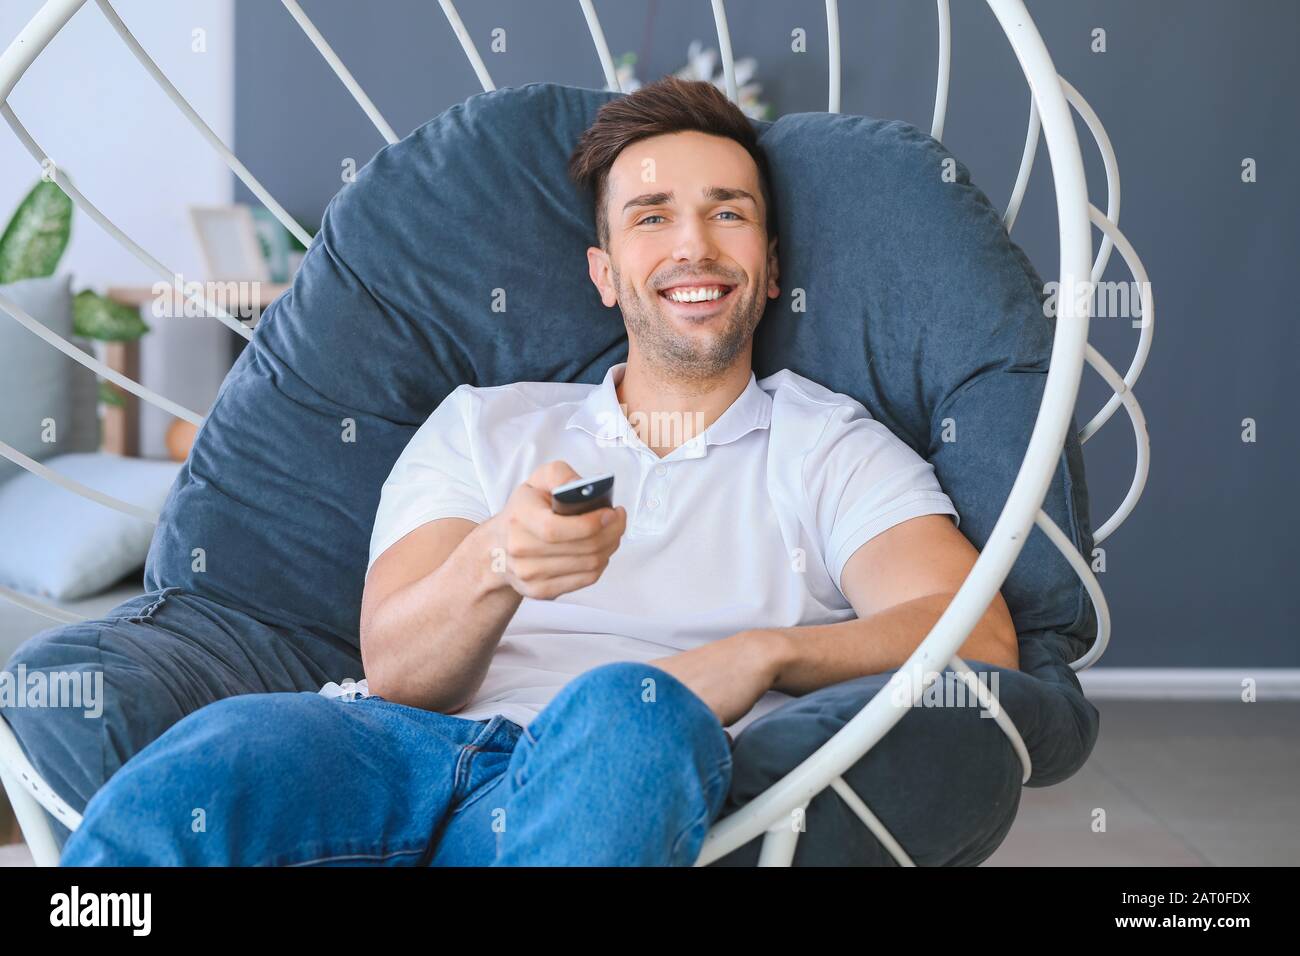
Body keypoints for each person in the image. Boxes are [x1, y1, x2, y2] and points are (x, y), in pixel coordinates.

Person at [58, 76, 1018, 867]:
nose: (693, 244)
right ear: (605, 274)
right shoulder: (485, 423)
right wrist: (497, 564)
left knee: (629, 705)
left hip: (602, 779)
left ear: (769, 269)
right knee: (217, 755)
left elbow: (979, 635)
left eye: (728, 214)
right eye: (653, 217)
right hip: (399, 751)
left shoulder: (828, 445)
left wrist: (758, 654)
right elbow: (396, 672)